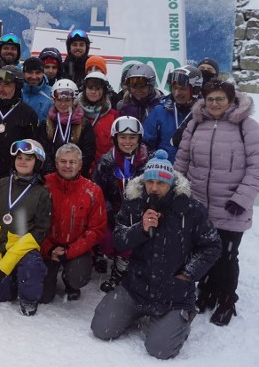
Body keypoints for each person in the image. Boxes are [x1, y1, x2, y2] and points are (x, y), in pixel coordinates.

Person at [90, 151, 222, 359]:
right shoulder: (134, 203)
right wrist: (140, 229)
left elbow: (212, 245)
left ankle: (180, 317)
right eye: (150, 181)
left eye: (160, 182)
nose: (154, 187)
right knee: (101, 329)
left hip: (174, 292)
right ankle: (141, 312)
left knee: (160, 350)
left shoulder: (192, 209)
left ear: (171, 183)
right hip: (136, 286)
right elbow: (119, 239)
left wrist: (188, 274)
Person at [174, 80, 259, 326]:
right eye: (210, 99)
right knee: (204, 251)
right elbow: (182, 160)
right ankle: (207, 293)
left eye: (220, 99)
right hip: (199, 203)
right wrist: (178, 191)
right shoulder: (195, 123)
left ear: (231, 101)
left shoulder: (247, 127)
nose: (214, 104)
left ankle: (226, 300)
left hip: (231, 204)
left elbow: (256, 167)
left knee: (227, 257)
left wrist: (242, 197)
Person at [0, 139, 51, 316]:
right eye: (19, 157)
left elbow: (39, 232)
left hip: (23, 248)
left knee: (31, 264)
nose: (23, 161)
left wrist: (7, 263)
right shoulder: (2, 184)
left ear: (37, 162)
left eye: (28, 158)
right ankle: (13, 280)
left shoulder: (42, 193)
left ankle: (28, 298)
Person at [40, 143, 106, 303]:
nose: (67, 166)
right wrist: (49, 249)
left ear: (80, 164)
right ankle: (49, 276)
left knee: (78, 276)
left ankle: (70, 282)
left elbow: (96, 230)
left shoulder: (93, 191)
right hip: (46, 247)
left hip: (75, 249)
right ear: (56, 163)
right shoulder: (44, 185)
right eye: (63, 161)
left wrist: (69, 252)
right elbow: (34, 223)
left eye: (72, 162)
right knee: (43, 297)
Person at [92, 116, 149, 292]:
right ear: (115, 138)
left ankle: (121, 270)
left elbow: (156, 192)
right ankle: (101, 254)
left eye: (132, 138)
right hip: (112, 212)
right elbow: (98, 192)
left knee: (130, 239)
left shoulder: (148, 162)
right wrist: (109, 212)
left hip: (138, 214)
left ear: (139, 139)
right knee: (106, 238)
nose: (127, 142)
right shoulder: (106, 162)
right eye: (123, 137)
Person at [37, 79, 96, 177]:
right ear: (54, 100)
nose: (63, 104)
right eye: (59, 100)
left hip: (76, 176)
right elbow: (43, 151)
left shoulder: (84, 124)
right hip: (52, 177)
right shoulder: (46, 124)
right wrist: (52, 174)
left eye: (67, 100)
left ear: (74, 100)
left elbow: (88, 153)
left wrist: (74, 174)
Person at [143, 65, 201, 162]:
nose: (177, 93)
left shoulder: (205, 113)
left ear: (194, 90)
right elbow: (146, 145)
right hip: (165, 172)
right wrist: (156, 163)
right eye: (174, 88)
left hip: (194, 172)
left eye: (182, 88)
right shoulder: (160, 111)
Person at [76, 71, 119, 176]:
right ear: (85, 89)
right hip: (79, 169)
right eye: (90, 88)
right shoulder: (75, 113)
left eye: (97, 89)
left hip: (104, 170)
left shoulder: (113, 116)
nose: (93, 92)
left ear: (104, 91)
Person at [21, 56, 52, 122]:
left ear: (43, 74)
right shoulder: (16, 90)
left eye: (38, 73)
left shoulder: (51, 94)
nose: (34, 77)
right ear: (23, 73)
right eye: (30, 72)